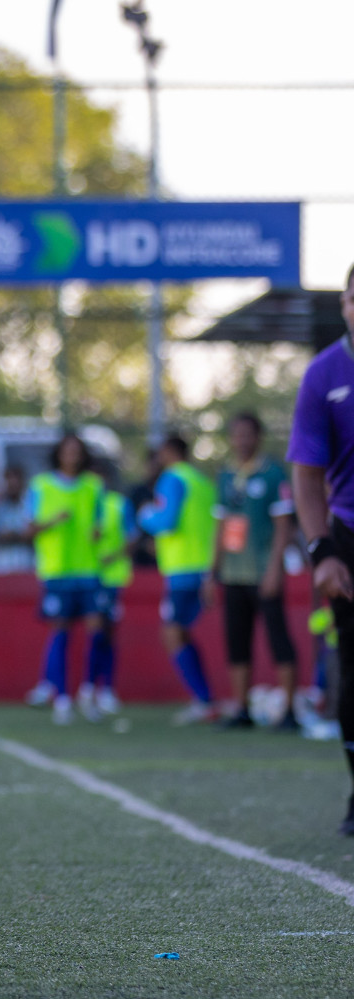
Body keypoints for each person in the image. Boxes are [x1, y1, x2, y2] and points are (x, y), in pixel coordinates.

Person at [286, 261, 354, 835]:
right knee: (353, 671)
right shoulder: (325, 373)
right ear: (346, 304)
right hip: (348, 539)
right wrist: (321, 551)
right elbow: (306, 475)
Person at [214, 411, 298, 730]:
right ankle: (241, 709)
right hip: (234, 574)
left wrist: (275, 569)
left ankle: (290, 710)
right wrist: (213, 572)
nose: (242, 440)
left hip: (263, 572)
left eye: (248, 434)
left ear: (258, 437)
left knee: (278, 638)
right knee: (237, 641)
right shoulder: (226, 474)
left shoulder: (273, 474)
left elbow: (283, 526)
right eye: (236, 434)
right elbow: (221, 526)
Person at [24, 435, 106, 725]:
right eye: (67, 451)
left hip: (89, 570)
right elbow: (30, 528)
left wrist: (99, 534)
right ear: (58, 454)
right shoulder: (41, 486)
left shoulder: (94, 486)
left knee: (97, 631)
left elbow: (100, 524)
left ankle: (88, 692)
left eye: (77, 451)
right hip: (56, 571)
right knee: (60, 633)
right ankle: (61, 698)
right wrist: (53, 522)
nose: (71, 455)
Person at [138, 435, 219, 724]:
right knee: (181, 631)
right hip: (204, 567)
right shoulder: (202, 481)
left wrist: (144, 515)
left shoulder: (171, 478)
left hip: (183, 569)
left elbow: (166, 521)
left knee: (172, 633)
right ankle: (204, 699)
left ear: (170, 452)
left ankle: (204, 699)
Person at [81, 469, 136, 720]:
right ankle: (89, 686)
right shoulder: (82, 505)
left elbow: (132, 538)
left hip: (112, 577)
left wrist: (112, 557)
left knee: (108, 632)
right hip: (87, 576)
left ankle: (106, 690)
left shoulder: (118, 504)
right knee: (95, 632)